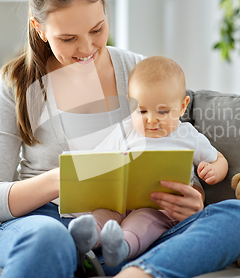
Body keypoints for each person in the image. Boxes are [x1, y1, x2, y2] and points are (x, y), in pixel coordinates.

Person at [0, 0, 240, 278]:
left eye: (97, 30)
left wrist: (190, 198)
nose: (86, 49)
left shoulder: (139, 70)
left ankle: (134, 272)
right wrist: (63, 180)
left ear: (105, 10)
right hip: (44, 224)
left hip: (133, 229)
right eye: (68, 38)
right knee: (49, 238)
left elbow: (178, 147)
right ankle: (91, 258)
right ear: (38, 29)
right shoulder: (16, 83)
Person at [68, 56, 230, 268]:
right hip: (121, 201)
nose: (151, 119)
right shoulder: (125, 131)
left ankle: (121, 246)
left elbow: (219, 158)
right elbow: (96, 160)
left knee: (142, 220)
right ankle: (89, 235)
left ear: (182, 107)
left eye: (162, 111)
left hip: (161, 207)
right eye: (142, 111)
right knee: (103, 214)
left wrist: (214, 170)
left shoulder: (186, 135)